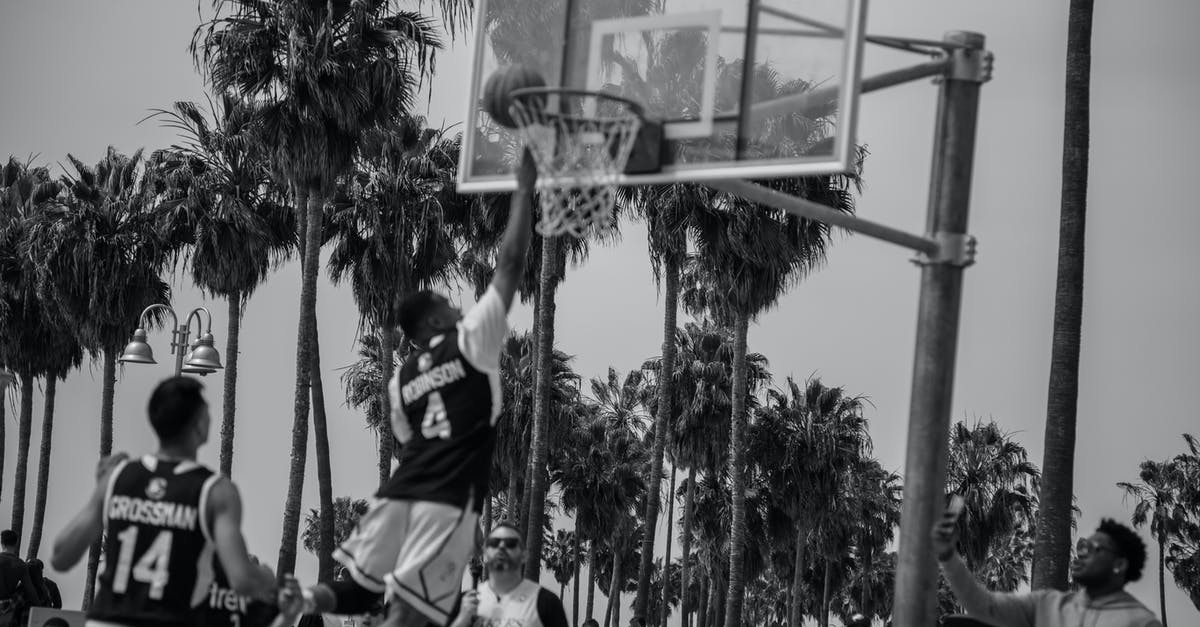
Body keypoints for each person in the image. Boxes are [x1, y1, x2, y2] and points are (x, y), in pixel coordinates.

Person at [295, 152, 536, 627]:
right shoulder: (470, 340)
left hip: (398, 496)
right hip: (443, 505)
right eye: (448, 302)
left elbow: (411, 446)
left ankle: (297, 598)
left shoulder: (400, 381)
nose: (457, 305)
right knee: (409, 616)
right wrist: (525, 190)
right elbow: (509, 265)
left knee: (362, 593)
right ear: (433, 320)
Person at [51, 376, 281, 627]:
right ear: (200, 424)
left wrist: (103, 492)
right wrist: (267, 579)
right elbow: (243, 580)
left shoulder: (117, 478)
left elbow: (61, 557)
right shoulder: (215, 492)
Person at [933, 509, 1163, 627]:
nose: (1081, 552)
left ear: (1119, 565)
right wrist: (948, 555)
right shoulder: (1046, 604)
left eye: (1093, 548)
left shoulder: (1141, 622)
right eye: (1082, 545)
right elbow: (982, 606)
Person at [447, 522, 568, 627]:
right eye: (494, 543)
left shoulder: (546, 602)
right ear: (485, 554)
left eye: (510, 543)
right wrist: (461, 621)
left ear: (524, 555)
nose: (501, 546)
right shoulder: (465, 602)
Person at [0, 529, 44, 627]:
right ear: (16, 543)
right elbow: (30, 590)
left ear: (2, 542)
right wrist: (40, 608)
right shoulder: (20, 564)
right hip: (7, 609)